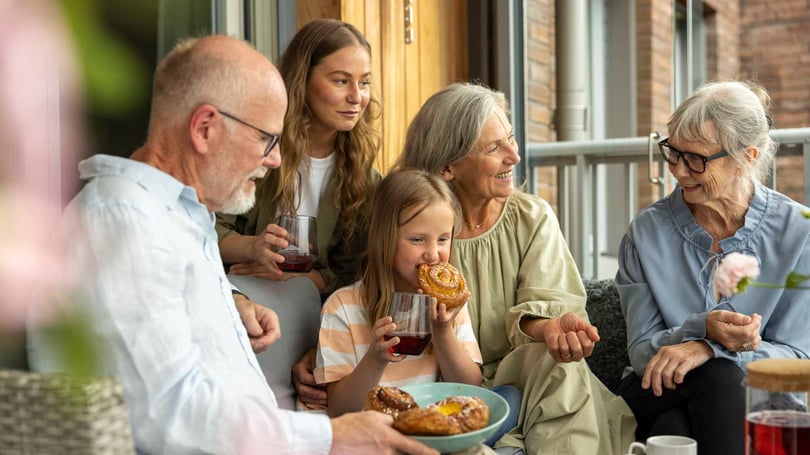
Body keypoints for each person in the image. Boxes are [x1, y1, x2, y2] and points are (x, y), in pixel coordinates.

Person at [27, 35, 436, 455]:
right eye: (266, 140)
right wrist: (333, 438)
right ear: (205, 128)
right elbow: (166, 414)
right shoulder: (126, 223)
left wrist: (230, 301)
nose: (275, 160)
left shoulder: (178, 215)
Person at [396, 82, 636, 454]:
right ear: (448, 166)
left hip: (526, 381)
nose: (515, 155)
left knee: (557, 361)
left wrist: (552, 328)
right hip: (447, 387)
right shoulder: (411, 235)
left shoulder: (532, 218)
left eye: (511, 138)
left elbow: (547, 306)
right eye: (494, 147)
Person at [615, 80, 810, 454]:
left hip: (759, 401)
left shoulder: (798, 230)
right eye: (673, 153)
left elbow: (798, 357)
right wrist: (702, 330)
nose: (679, 171)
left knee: (677, 426)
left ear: (747, 157)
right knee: (715, 380)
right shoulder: (646, 231)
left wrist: (710, 349)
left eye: (696, 160)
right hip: (655, 388)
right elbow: (641, 352)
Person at [216, 18, 380, 300]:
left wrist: (300, 275)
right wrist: (254, 247)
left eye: (364, 83)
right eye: (341, 81)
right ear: (302, 79)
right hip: (237, 294)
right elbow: (206, 227)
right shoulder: (259, 151)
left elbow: (352, 273)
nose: (357, 97)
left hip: (314, 308)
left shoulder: (365, 178)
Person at [315, 169, 484, 417]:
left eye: (443, 239)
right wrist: (375, 359)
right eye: (417, 239)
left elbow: (470, 389)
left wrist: (442, 332)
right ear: (385, 238)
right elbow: (340, 409)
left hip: (435, 427)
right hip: (373, 433)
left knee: (508, 397)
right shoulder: (342, 307)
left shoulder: (449, 306)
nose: (433, 254)